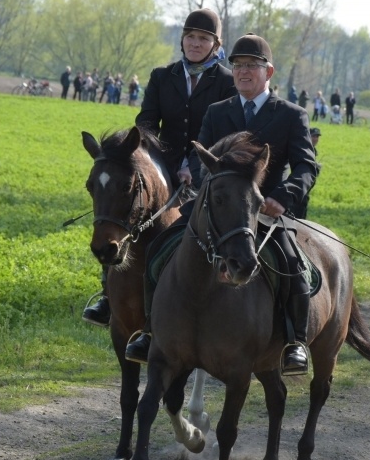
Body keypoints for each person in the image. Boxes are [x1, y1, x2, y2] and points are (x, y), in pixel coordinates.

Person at [134, 33, 318, 376]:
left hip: (266, 213)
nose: (244, 72)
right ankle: (149, 330)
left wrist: (283, 196)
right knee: (159, 249)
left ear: (269, 72)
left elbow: (307, 166)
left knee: (294, 266)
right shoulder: (218, 112)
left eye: (252, 66)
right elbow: (198, 155)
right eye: (237, 66)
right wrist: (207, 187)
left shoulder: (292, 115)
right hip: (216, 208)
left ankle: (295, 342)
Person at [82, 8, 236, 327]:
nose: (195, 43)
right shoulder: (161, 76)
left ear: (215, 44)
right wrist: (146, 160)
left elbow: (224, 131)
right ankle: (108, 297)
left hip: (207, 168)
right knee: (122, 208)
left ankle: (215, 293)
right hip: (162, 166)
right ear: (182, 39)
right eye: (190, 37)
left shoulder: (226, 82)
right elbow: (146, 123)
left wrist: (195, 166)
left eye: (203, 39)